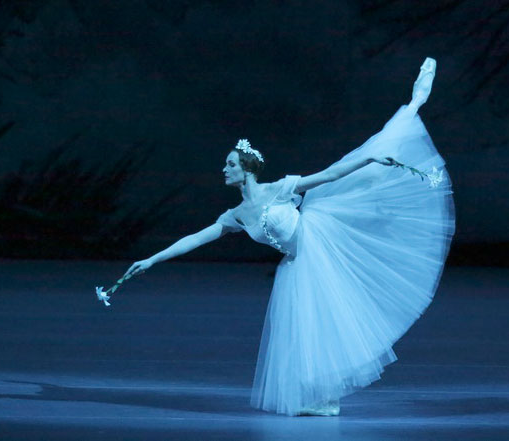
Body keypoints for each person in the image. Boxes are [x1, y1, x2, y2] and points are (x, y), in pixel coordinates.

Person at [125, 57, 455, 416]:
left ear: (247, 170)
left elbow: (329, 175)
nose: (224, 169)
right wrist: (152, 259)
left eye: (230, 164)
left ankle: (415, 103)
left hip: (321, 245)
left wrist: (370, 160)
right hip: (296, 264)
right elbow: (195, 238)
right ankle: (323, 399)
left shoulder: (278, 189)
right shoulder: (235, 215)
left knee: (329, 323)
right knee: (303, 332)